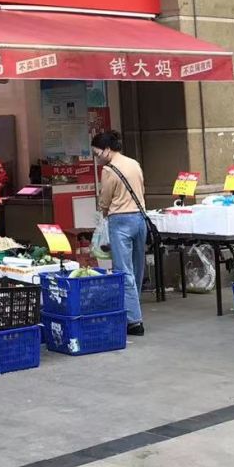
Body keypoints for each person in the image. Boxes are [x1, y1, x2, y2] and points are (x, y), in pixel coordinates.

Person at [92, 130, 148, 338]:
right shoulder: (134, 163)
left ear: (107, 150)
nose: (97, 158)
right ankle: (134, 308)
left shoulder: (109, 170)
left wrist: (103, 212)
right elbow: (142, 189)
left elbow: (105, 199)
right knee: (137, 268)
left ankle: (134, 321)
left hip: (120, 220)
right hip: (140, 219)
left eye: (97, 153)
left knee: (123, 270)